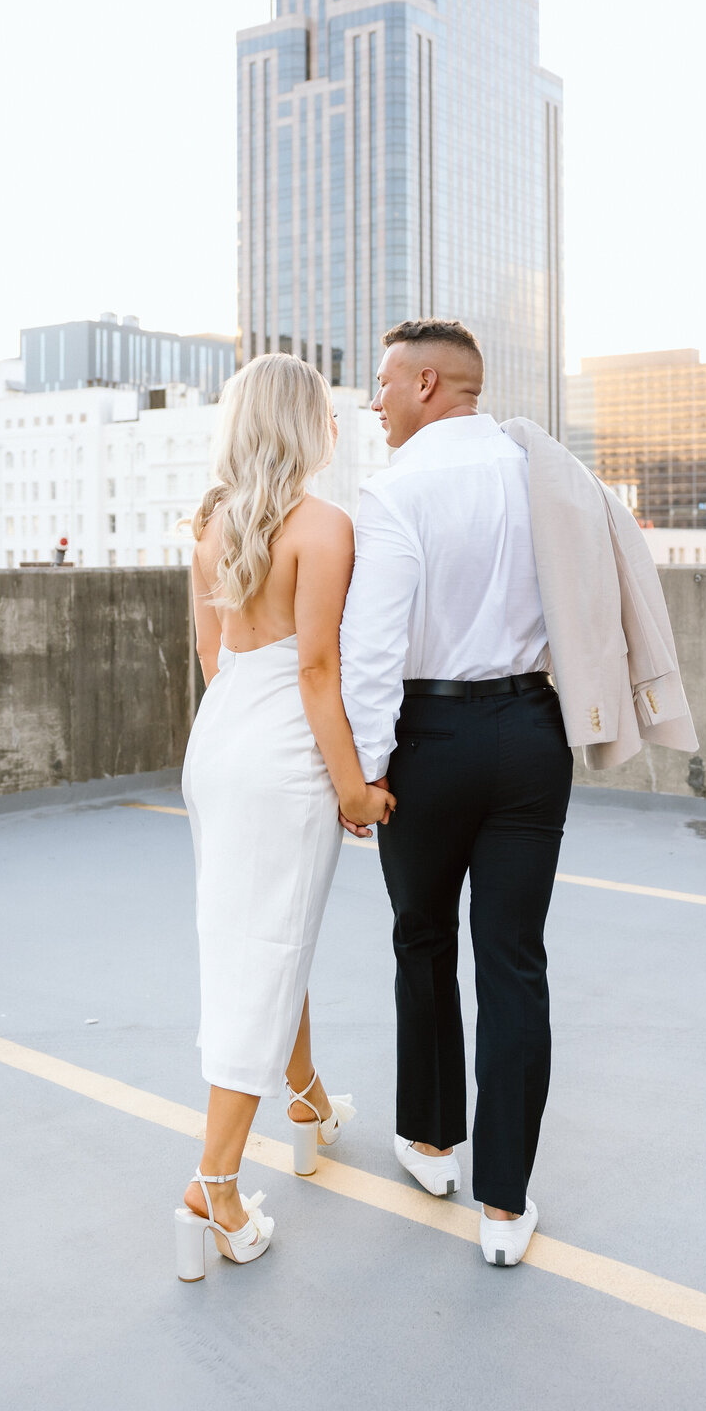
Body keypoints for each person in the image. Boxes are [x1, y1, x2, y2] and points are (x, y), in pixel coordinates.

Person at [339, 319, 573, 1268]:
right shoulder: (541, 476)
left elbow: (373, 651)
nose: (378, 402)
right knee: (515, 959)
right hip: (530, 733)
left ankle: (433, 1141)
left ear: (429, 383)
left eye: (387, 384)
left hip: (429, 740)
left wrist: (365, 770)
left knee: (422, 936)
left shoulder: (395, 492)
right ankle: (506, 1208)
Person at [175, 352, 395, 1282]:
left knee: (262, 934)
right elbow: (317, 673)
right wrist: (354, 785)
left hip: (218, 744)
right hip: (282, 757)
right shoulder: (326, 526)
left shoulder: (212, 526)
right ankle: (213, 1185)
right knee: (263, 954)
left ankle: (303, 1100)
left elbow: (213, 653)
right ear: (307, 427)